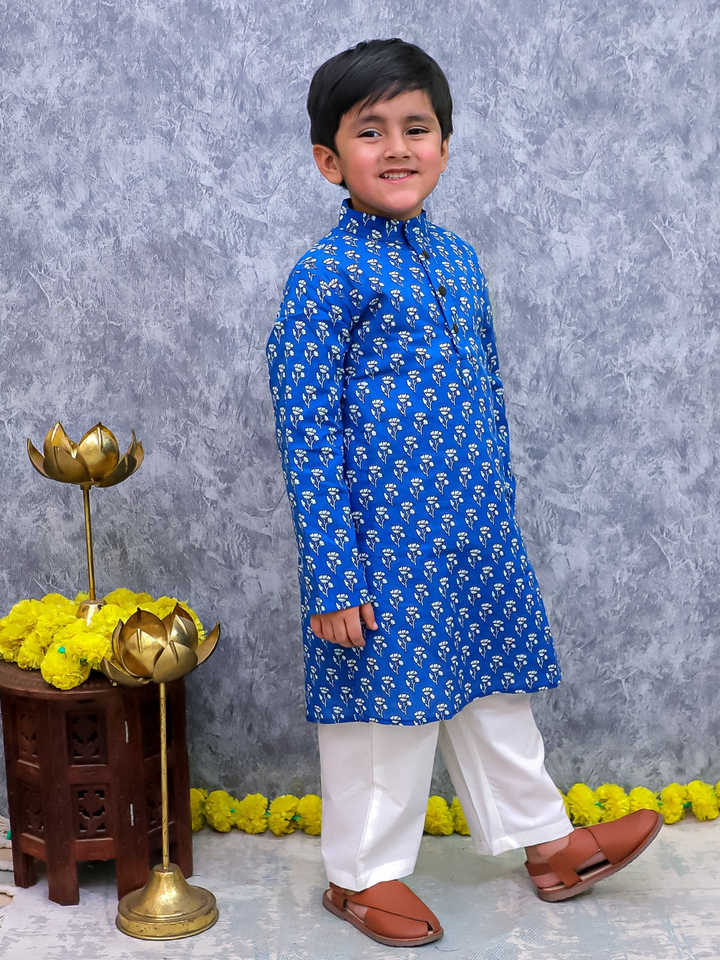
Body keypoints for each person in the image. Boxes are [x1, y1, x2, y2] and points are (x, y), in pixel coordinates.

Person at [264, 37, 662, 948]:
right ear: (329, 160)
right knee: (387, 716)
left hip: (473, 532)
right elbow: (306, 429)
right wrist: (333, 574)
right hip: (380, 546)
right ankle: (361, 876)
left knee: (494, 694)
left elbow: (487, 392)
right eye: (371, 131)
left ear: (445, 144)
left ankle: (548, 844)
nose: (398, 147)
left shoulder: (457, 259)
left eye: (417, 127)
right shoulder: (328, 274)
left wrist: (500, 515)